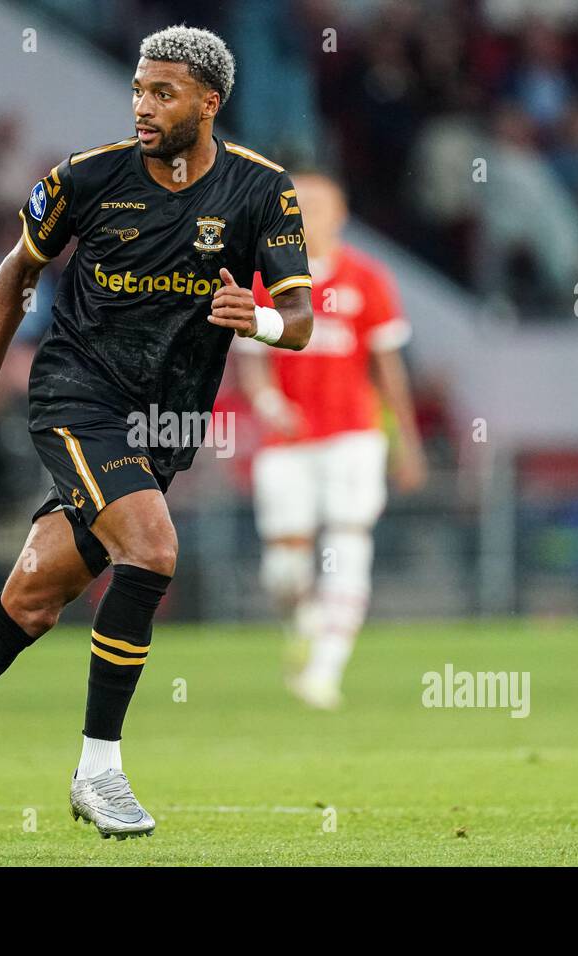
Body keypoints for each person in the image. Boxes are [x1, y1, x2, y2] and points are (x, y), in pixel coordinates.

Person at [0, 25, 313, 841]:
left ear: (209, 102)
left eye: (163, 93)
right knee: (153, 550)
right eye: (137, 89)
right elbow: (15, 271)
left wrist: (256, 316)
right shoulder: (85, 179)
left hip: (168, 419)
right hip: (76, 395)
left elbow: (299, 320)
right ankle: (100, 770)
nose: (144, 106)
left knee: (32, 600)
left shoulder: (262, 190)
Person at [238, 172, 427, 709]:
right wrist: (272, 405)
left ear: (340, 214)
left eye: (316, 204)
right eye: (295, 205)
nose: (305, 214)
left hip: (353, 436)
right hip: (287, 440)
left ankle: (325, 670)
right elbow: (251, 365)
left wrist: (406, 443)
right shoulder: (266, 279)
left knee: (349, 540)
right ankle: (304, 619)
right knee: (283, 570)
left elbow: (389, 368)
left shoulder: (368, 278)